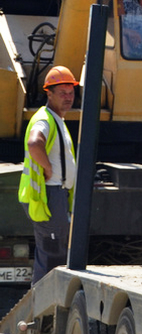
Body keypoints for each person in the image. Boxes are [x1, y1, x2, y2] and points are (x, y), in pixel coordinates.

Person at [18, 66, 80, 284]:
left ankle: (46, 302)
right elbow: (35, 143)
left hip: (55, 195)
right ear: (49, 94)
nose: (68, 97)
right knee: (51, 257)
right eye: (62, 93)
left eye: (70, 92)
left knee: (54, 255)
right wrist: (48, 169)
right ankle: (43, 303)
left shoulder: (56, 119)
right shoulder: (45, 119)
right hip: (50, 196)